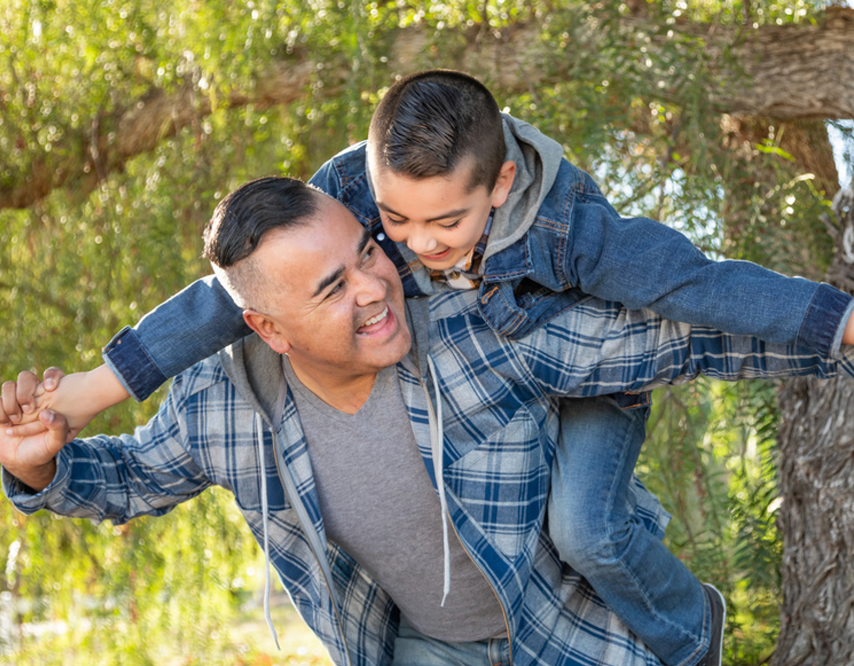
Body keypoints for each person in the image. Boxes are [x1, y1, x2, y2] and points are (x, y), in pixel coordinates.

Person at [6, 71, 854, 666]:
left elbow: (674, 329)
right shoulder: (222, 406)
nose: (387, 278)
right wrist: (37, 460)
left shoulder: (482, 315)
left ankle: (686, 628)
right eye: (336, 285)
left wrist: (838, 333)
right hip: (420, 648)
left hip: (568, 636)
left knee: (590, 529)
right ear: (264, 327)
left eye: (369, 253)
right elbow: (124, 479)